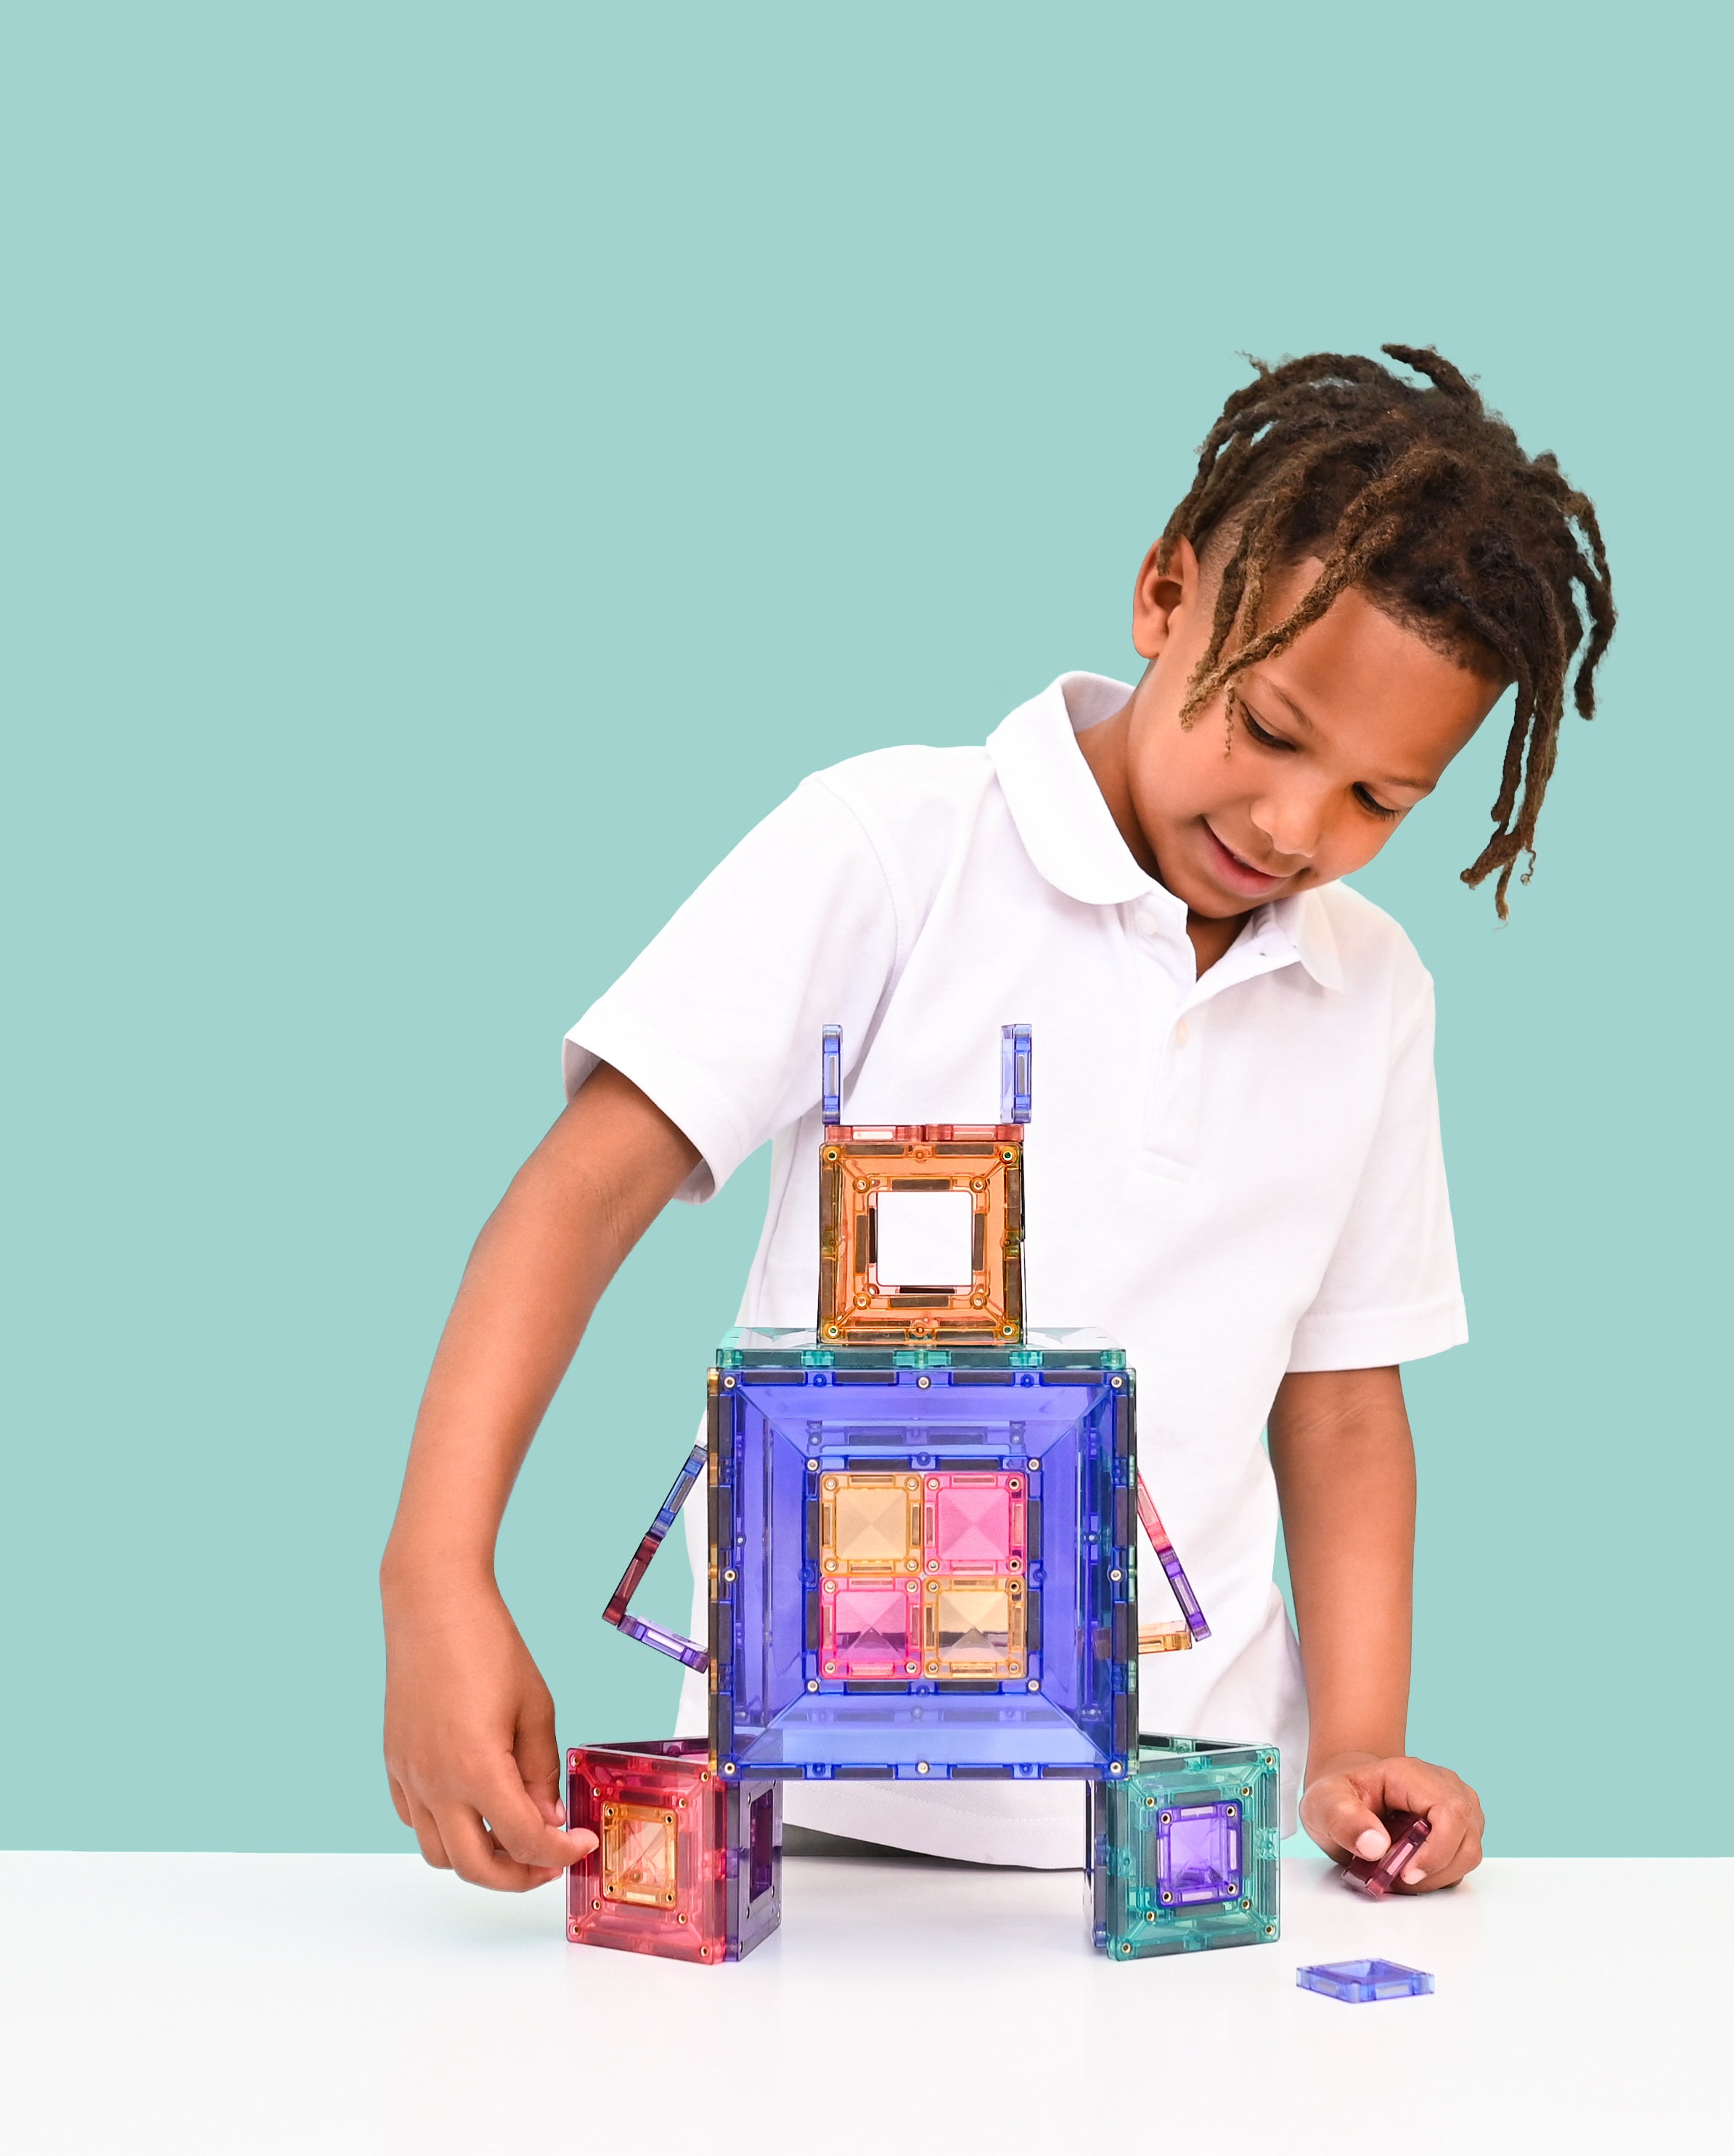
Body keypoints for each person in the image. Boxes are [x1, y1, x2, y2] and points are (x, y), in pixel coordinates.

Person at [380, 344, 1615, 1896]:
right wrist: (435, 1570)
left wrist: (1359, 1744)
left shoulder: (1372, 992)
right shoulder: (893, 852)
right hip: (799, 1808)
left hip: (1175, 1834)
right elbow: (583, 1192)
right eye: (1270, 726)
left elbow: (1345, 1400)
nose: (1293, 825)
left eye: (1380, 800)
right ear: (1164, 592)